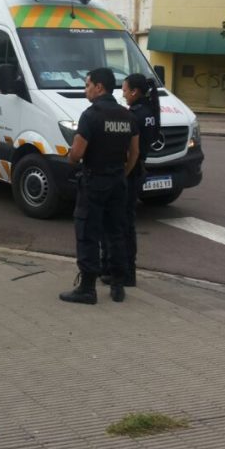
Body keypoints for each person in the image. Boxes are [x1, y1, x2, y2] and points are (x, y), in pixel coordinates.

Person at [60, 67, 139, 305]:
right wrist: (121, 174)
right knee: (116, 232)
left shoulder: (91, 115)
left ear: (99, 87)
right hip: (118, 182)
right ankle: (117, 285)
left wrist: (70, 157)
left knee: (87, 233)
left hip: (94, 181)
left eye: (87, 85)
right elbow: (134, 153)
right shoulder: (128, 116)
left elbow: (77, 153)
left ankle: (87, 288)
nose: (86, 90)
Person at [113, 73, 161, 287]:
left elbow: (130, 151)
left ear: (134, 91)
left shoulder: (133, 115)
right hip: (141, 168)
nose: (123, 95)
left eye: (124, 90)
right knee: (128, 223)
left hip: (131, 172)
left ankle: (123, 273)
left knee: (122, 225)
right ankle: (128, 273)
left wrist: (123, 174)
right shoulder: (149, 111)